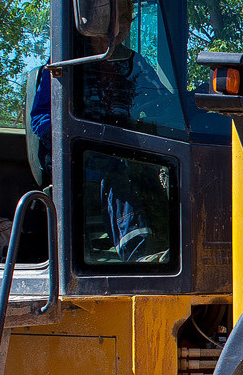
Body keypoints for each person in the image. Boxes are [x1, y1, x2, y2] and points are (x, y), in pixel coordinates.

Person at [28, 67, 152, 262]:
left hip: (124, 148)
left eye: (124, 32)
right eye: (110, 33)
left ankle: (166, 250)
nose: (119, 34)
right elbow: (41, 119)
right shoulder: (66, 63)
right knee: (117, 169)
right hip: (79, 151)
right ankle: (137, 255)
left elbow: (163, 101)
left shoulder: (134, 64)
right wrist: (75, 141)